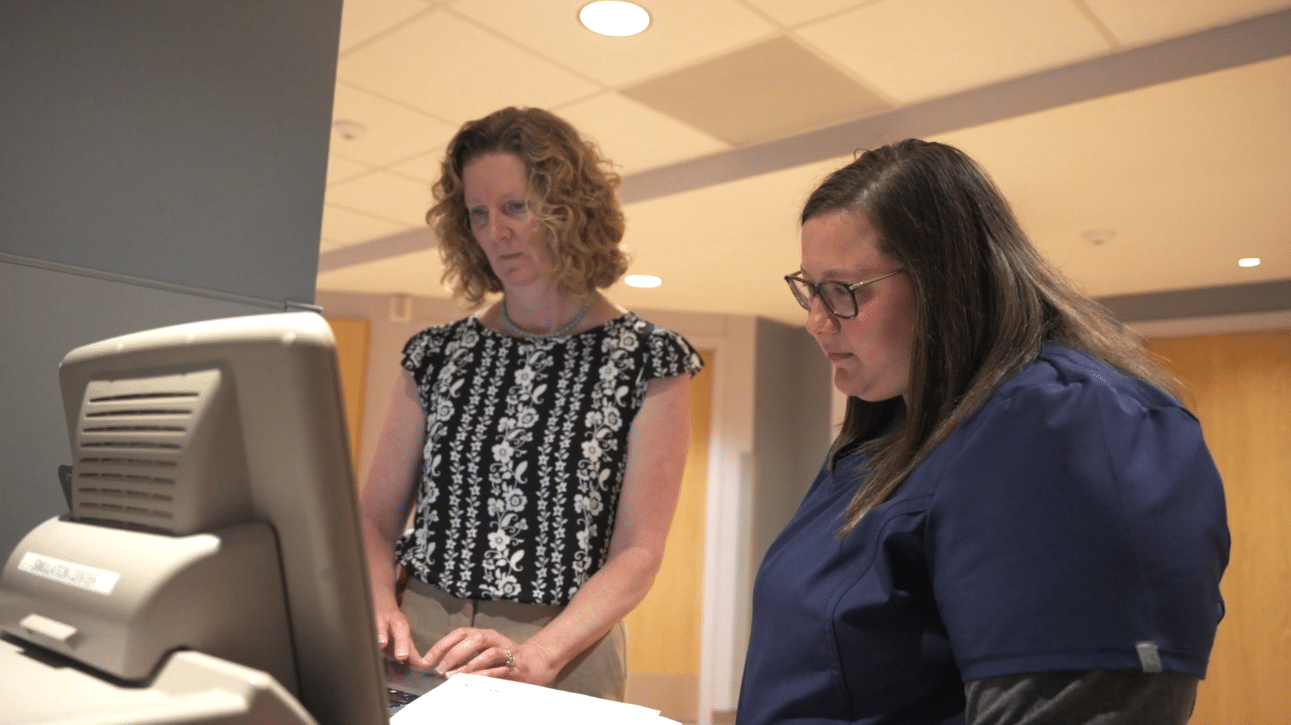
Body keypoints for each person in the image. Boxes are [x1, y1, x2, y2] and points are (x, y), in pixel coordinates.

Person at [736, 139, 1230, 724]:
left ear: (945, 280)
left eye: (843, 292)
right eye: (810, 289)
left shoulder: (1065, 426)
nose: (817, 321)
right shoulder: (886, 436)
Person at [359, 106, 703, 701]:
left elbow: (639, 551)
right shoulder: (435, 355)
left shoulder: (650, 360)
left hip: (559, 649)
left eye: (516, 207)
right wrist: (377, 601)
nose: (497, 232)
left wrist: (538, 655)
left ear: (569, 209)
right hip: (421, 640)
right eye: (478, 214)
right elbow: (374, 520)